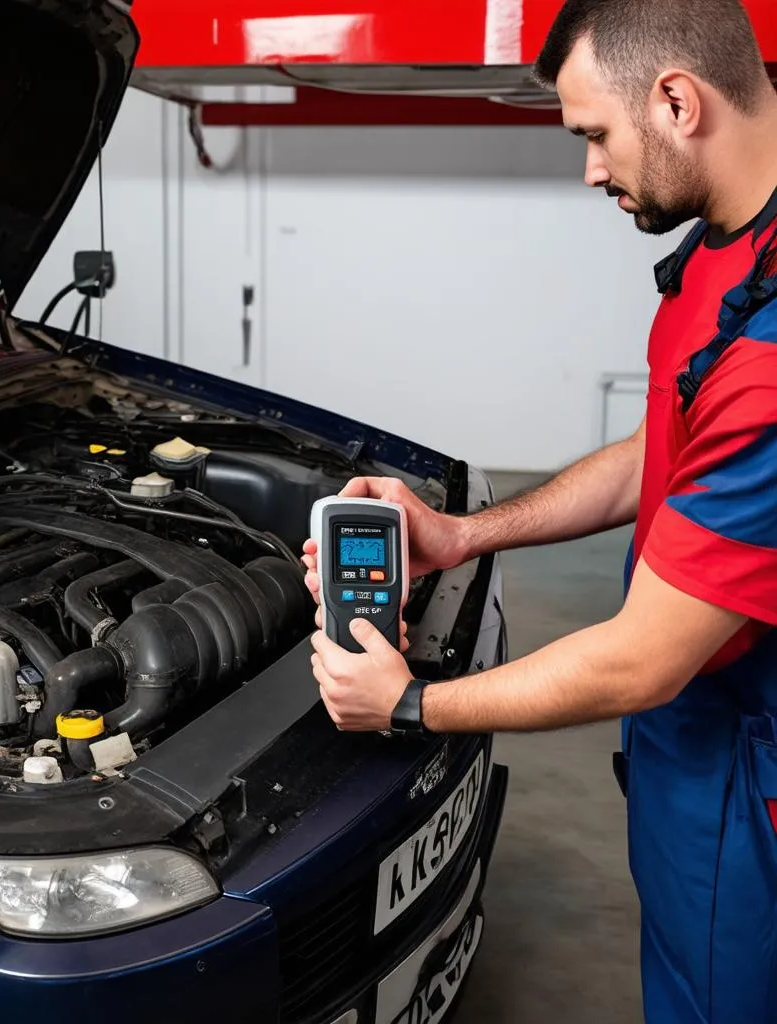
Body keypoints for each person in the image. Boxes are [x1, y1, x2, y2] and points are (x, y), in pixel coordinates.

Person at [302, 1, 777, 1021]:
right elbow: (666, 451)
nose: (593, 171)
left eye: (595, 136)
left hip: (743, 776)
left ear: (676, 101)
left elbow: (640, 658)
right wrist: (462, 533)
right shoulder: (730, 244)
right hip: (690, 737)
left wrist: (406, 704)